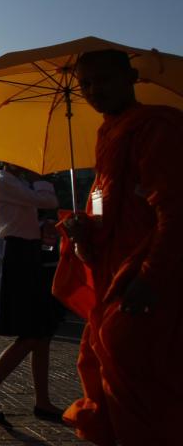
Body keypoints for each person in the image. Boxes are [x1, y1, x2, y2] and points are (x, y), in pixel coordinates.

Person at [53, 49, 183, 445]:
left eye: (103, 80)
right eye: (85, 84)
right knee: (99, 369)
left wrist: (149, 276)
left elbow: (175, 209)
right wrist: (83, 230)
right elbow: (104, 201)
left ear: (130, 76)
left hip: (146, 278)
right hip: (112, 276)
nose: (94, 91)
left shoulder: (157, 126)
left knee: (144, 384)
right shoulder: (107, 134)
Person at [0, 162, 64, 429]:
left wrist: (41, 223)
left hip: (28, 253)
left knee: (42, 332)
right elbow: (49, 200)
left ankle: (42, 401)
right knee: (32, 332)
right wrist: (41, 180)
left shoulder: (17, 184)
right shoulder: (5, 182)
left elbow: (30, 214)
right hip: (19, 257)